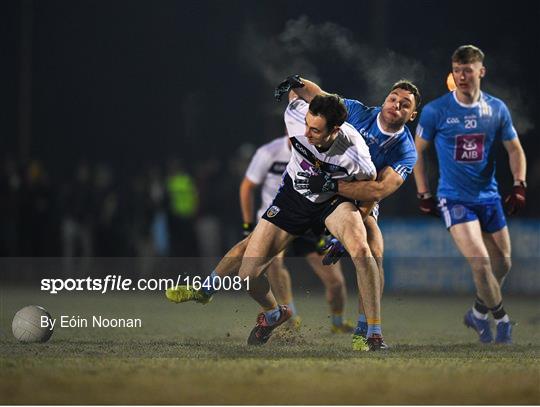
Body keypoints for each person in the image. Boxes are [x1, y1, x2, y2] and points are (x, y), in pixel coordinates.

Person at [168, 91, 382, 350]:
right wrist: (295, 81)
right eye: (306, 125)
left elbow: (370, 191)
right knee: (248, 275)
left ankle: (370, 332)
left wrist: (356, 220)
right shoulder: (295, 115)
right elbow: (297, 90)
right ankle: (273, 314)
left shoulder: (355, 152)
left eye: (315, 130)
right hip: (293, 199)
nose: (307, 133)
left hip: (333, 201)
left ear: (335, 129)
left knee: (361, 250)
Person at [288, 76, 420, 350]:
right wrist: (295, 82)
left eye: (405, 104)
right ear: (385, 99)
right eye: (394, 98)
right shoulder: (359, 111)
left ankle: (367, 330)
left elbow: (378, 191)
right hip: (316, 184)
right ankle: (263, 307)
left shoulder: (405, 150)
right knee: (265, 241)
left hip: (355, 196)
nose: (396, 104)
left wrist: (345, 202)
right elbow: (320, 96)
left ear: (411, 115)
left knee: (373, 252)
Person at [413, 45, 527, 344]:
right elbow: (417, 152)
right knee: (480, 263)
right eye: (457, 70)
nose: (462, 76)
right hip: (454, 198)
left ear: (481, 71)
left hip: (488, 197)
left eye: (467, 70)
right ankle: (501, 321)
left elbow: (514, 148)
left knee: (503, 264)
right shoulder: (436, 110)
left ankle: (477, 313)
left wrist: (519, 184)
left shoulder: (496, 109)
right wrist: (423, 192)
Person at [240, 135, 354, 333]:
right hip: (276, 220)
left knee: (335, 282)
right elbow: (247, 186)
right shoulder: (268, 152)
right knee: (273, 263)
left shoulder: (324, 151)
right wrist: (248, 225)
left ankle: (338, 322)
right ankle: (288, 314)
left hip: (309, 221)